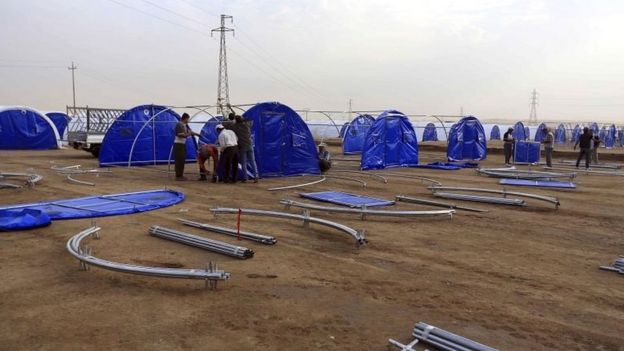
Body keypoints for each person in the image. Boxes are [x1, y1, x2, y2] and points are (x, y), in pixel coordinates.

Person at [224, 114, 258, 183]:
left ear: (236, 121)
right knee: (252, 162)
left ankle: (245, 178)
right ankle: (256, 176)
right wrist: (243, 119)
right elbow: (251, 120)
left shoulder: (235, 127)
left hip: (242, 147)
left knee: (244, 163)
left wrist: (231, 121)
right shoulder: (247, 125)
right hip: (250, 145)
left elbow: (225, 125)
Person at [174, 113, 200, 181]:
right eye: (188, 119)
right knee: (179, 160)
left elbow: (191, 132)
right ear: (185, 118)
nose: (188, 120)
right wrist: (189, 134)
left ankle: (180, 175)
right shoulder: (179, 125)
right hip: (179, 144)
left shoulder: (185, 125)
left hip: (182, 144)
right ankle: (178, 176)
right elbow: (180, 135)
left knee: (182, 160)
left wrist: (198, 135)